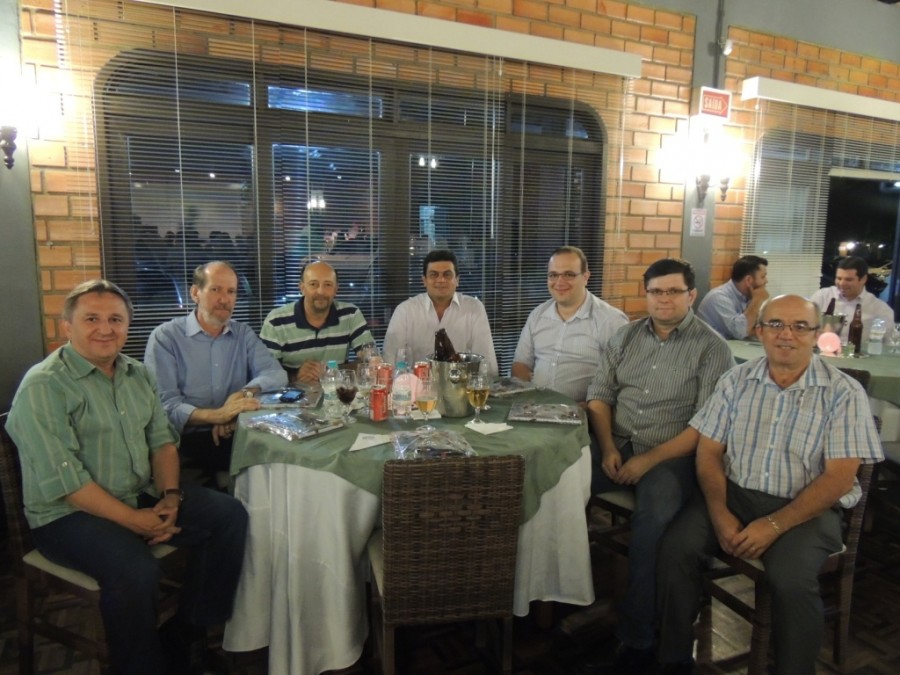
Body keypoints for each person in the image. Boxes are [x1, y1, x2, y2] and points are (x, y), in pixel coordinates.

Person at [6, 280, 248, 675]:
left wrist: (170, 496)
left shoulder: (137, 374)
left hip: (139, 493)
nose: (105, 329)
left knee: (229, 516)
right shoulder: (44, 385)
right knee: (136, 571)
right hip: (67, 516)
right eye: (91, 319)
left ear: (127, 326)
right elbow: (67, 483)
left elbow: (162, 443)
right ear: (67, 326)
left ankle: (186, 634)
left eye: (115, 320)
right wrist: (133, 520)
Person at [656, 295, 883, 675]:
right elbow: (709, 453)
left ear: (817, 334)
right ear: (759, 331)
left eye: (800, 326)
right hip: (734, 494)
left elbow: (839, 478)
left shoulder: (843, 393)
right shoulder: (736, 380)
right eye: (775, 324)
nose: (786, 334)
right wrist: (720, 513)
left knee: (790, 580)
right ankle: (674, 657)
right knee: (675, 549)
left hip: (808, 508)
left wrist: (775, 524)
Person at [580, 258, 734, 675]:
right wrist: (607, 447)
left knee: (651, 526)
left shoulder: (712, 348)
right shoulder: (625, 336)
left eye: (673, 291)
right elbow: (599, 397)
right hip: (617, 444)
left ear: (691, 295)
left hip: (673, 456)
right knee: (559, 482)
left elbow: (706, 425)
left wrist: (648, 459)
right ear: (645, 294)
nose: (664, 299)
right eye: (656, 292)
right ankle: (562, 597)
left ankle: (637, 640)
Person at [145, 261, 287, 483]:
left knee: (282, 467)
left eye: (231, 291)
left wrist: (242, 396)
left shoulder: (243, 334)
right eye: (216, 290)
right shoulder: (166, 337)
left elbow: (276, 374)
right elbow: (165, 408)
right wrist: (219, 415)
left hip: (235, 432)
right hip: (182, 442)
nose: (224, 299)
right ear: (195, 293)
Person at [512, 245, 628, 401]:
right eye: (553, 275)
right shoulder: (537, 315)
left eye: (568, 274)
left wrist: (590, 407)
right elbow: (520, 364)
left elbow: (623, 380)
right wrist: (527, 397)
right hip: (534, 407)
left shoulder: (611, 321)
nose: (559, 282)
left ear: (585, 277)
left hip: (584, 411)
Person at [383, 249, 498, 374]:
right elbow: (390, 362)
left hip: (462, 384)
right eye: (434, 275)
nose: (441, 280)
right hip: (417, 384)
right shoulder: (405, 311)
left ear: (457, 280)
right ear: (424, 280)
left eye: (447, 274)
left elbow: (487, 364)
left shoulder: (474, 308)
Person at [260, 261, 374, 385]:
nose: (321, 291)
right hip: (292, 394)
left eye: (328, 285)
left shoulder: (351, 314)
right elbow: (264, 372)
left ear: (336, 289)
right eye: (313, 284)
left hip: (338, 393)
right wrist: (296, 376)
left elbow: (371, 360)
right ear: (302, 288)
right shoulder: (276, 321)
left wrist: (329, 371)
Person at [810, 256, 895, 345]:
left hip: (859, 353)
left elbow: (888, 344)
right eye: (839, 278)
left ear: (863, 279)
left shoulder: (880, 309)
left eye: (848, 279)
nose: (842, 283)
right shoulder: (822, 297)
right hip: (822, 351)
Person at [696, 254, 769, 339]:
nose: (766, 281)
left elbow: (763, 326)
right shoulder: (718, 297)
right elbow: (739, 332)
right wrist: (757, 300)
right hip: (710, 346)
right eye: (763, 277)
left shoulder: (747, 296)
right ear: (748, 280)